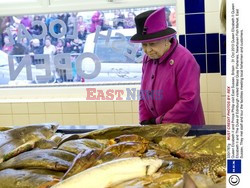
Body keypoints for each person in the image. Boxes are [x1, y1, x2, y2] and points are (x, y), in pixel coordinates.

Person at [130, 7, 205, 127]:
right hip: (159, 129)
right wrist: (145, 119)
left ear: (166, 39)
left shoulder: (184, 59)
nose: (148, 50)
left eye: (153, 44)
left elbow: (189, 101)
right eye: (144, 45)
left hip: (185, 129)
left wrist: (158, 122)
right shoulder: (147, 58)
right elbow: (144, 93)